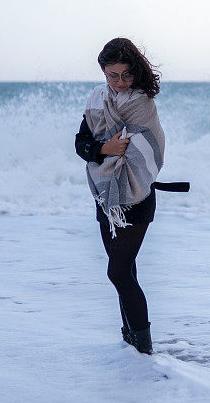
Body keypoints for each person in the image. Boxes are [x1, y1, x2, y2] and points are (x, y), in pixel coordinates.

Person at [74, 37, 164, 355]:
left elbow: (148, 148)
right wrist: (105, 148)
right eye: (113, 75)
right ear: (103, 73)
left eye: (126, 74)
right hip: (107, 199)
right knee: (125, 271)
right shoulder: (98, 100)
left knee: (117, 271)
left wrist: (115, 148)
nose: (120, 82)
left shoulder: (142, 102)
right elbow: (81, 144)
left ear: (134, 71)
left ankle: (144, 347)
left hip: (137, 198)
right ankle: (131, 345)